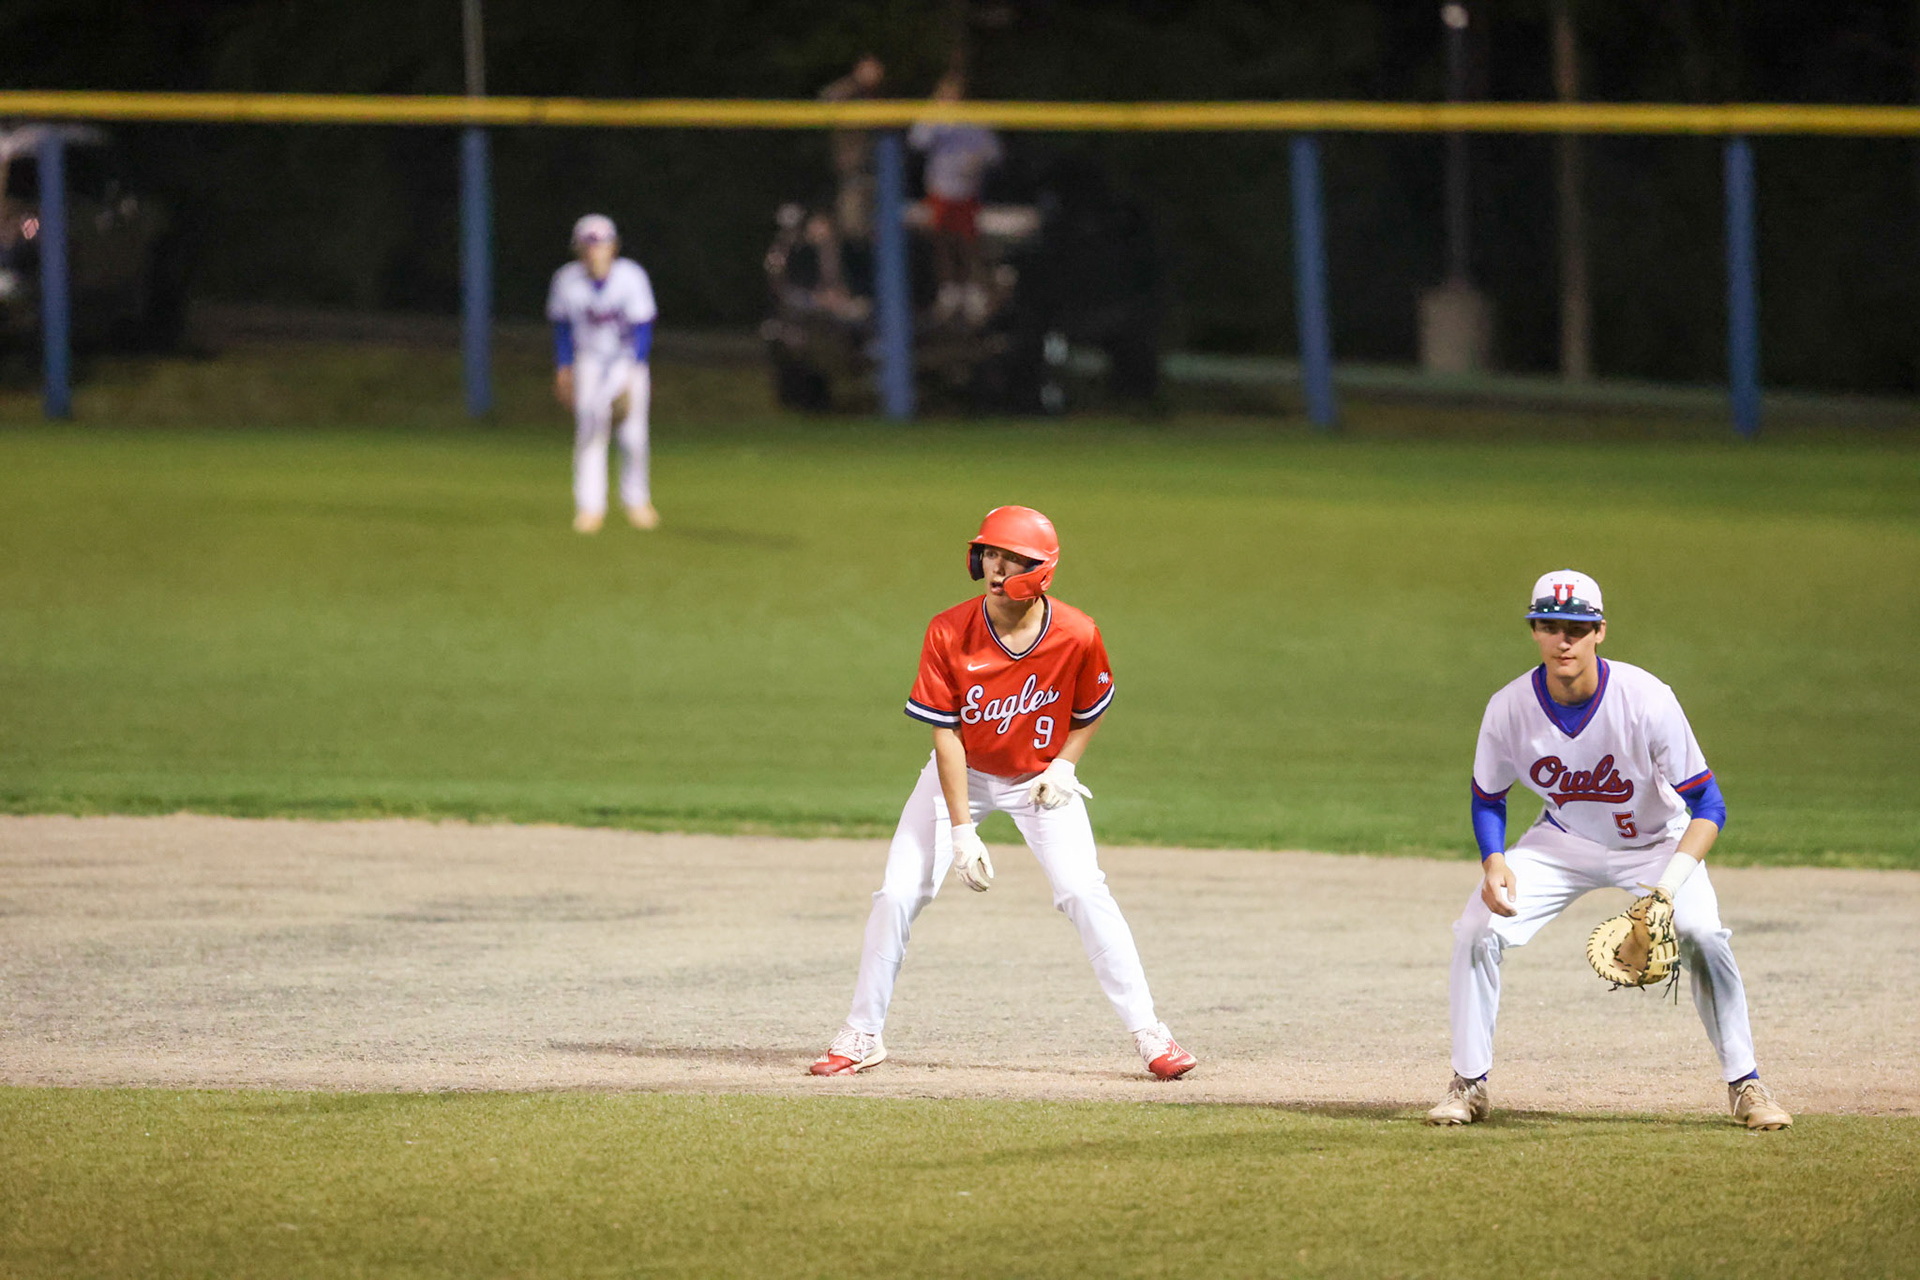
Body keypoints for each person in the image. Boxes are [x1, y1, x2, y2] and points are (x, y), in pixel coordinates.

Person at [809, 506, 1196, 1081]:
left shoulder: (1077, 633)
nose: (996, 566)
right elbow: (947, 736)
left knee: (1084, 892)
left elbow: (1091, 708)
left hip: (1039, 784)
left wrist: (1064, 765)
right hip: (964, 775)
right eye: (990, 553)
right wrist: (962, 830)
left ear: (1040, 571)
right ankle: (862, 1033)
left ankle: (1151, 1036)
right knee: (896, 893)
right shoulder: (948, 630)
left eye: (1011, 557)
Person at [1427, 569, 1791, 1130]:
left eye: (1576, 626)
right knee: (1476, 930)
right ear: (1534, 631)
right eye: (1550, 625)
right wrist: (1493, 860)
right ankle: (1468, 1084)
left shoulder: (1647, 699)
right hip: (1563, 841)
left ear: (1600, 632)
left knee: (1700, 934)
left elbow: (1709, 807)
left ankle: (1746, 1084)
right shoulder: (1508, 708)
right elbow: (1487, 798)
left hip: (1655, 845)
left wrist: (1665, 891)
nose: (1563, 639)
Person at [546, 214, 658, 533]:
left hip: (627, 360)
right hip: (590, 362)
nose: (594, 251)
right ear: (578, 249)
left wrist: (630, 374)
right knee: (590, 429)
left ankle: (636, 500)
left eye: (601, 244)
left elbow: (643, 330)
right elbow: (562, 329)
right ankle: (590, 507)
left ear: (614, 246)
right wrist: (563, 368)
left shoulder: (630, 277)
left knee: (634, 436)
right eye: (588, 245)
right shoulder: (566, 280)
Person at [907, 72, 1002, 324]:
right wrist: (933, 115)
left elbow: (993, 153)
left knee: (968, 242)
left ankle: (971, 290)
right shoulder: (933, 118)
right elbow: (916, 141)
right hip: (940, 190)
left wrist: (976, 159)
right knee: (942, 240)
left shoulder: (973, 120)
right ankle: (949, 290)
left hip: (966, 191)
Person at [818, 53, 886, 240]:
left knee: (878, 230)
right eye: (869, 69)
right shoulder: (848, 92)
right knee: (852, 227)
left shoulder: (879, 95)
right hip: (852, 172)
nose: (875, 73)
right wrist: (855, 82)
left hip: (880, 172)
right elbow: (827, 97)